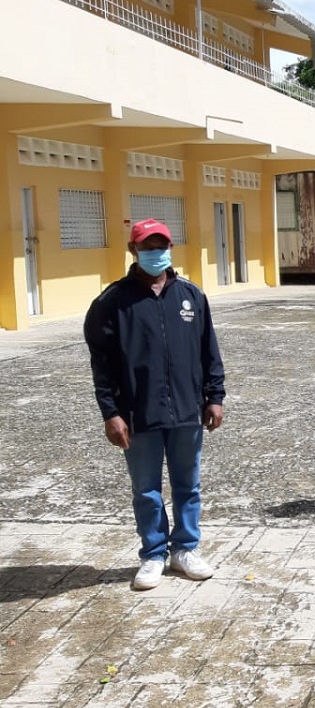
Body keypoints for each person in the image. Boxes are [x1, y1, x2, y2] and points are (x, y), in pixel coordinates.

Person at [83, 219, 225, 591]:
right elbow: (101, 364)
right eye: (147, 247)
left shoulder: (191, 296)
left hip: (187, 410)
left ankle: (185, 550)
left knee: (188, 485)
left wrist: (215, 397)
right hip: (137, 413)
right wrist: (110, 413)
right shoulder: (112, 302)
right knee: (146, 489)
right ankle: (153, 554)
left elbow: (209, 351)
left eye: (161, 246)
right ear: (133, 250)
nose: (155, 253)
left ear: (171, 248)